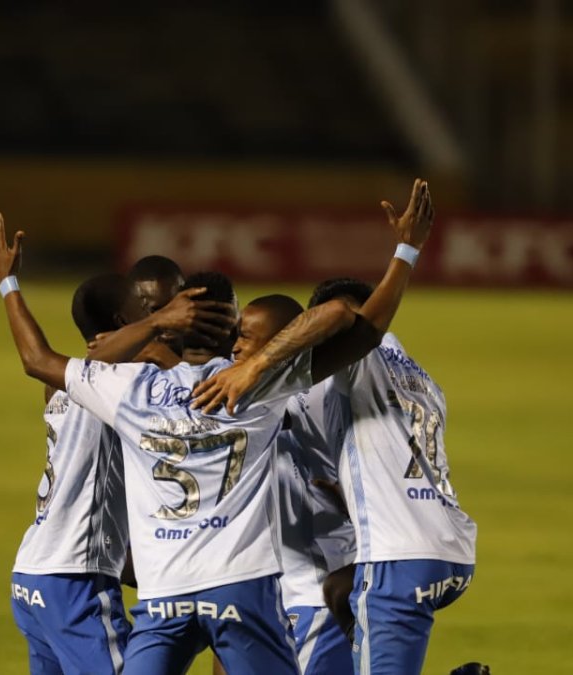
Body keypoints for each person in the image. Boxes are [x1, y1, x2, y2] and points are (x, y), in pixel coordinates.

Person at [0, 177, 432, 675]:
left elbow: (38, 360)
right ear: (232, 330)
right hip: (240, 587)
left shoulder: (127, 389)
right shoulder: (259, 388)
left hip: (164, 595)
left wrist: (8, 282)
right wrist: (406, 251)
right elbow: (347, 319)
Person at [191, 184, 478, 674]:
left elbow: (340, 320)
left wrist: (256, 365)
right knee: (341, 593)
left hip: (393, 556)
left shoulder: (346, 367)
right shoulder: (420, 381)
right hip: (445, 548)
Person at [9, 273, 236, 675]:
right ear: (124, 320)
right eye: (147, 310)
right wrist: (164, 349)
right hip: (76, 576)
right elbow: (200, 409)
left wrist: (7, 281)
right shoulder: (118, 381)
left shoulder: (64, 383)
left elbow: (44, 361)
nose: (163, 318)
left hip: (32, 572)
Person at [233, 295, 356, 675]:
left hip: (316, 590)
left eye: (246, 337)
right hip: (285, 593)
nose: (235, 347)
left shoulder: (309, 395)